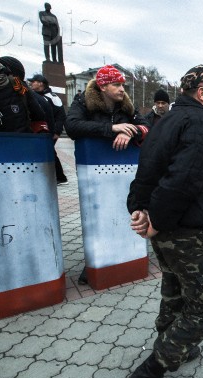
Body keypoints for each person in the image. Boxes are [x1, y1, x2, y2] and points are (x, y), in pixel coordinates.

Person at [125, 64, 203, 378]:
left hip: (168, 226)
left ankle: (175, 345)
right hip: (184, 227)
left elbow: (148, 169)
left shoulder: (169, 119)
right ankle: (151, 372)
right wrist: (156, 217)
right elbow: (184, 180)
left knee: (174, 287)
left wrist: (140, 209)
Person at [65, 64, 149, 285]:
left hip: (124, 170)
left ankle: (123, 256)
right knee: (98, 216)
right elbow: (72, 126)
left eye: (123, 84)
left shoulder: (127, 107)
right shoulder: (84, 101)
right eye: (116, 84)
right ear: (102, 86)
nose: (122, 89)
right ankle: (97, 263)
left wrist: (131, 132)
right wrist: (111, 129)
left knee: (123, 212)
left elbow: (146, 127)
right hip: (94, 169)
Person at [29, 74, 68, 184]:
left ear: (40, 83)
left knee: (50, 152)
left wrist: (57, 131)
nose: (32, 84)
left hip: (51, 131)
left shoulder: (52, 97)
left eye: (34, 81)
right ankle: (57, 177)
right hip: (42, 130)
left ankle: (60, 177)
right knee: (48, 152)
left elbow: (61, 116)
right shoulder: (36, 96)